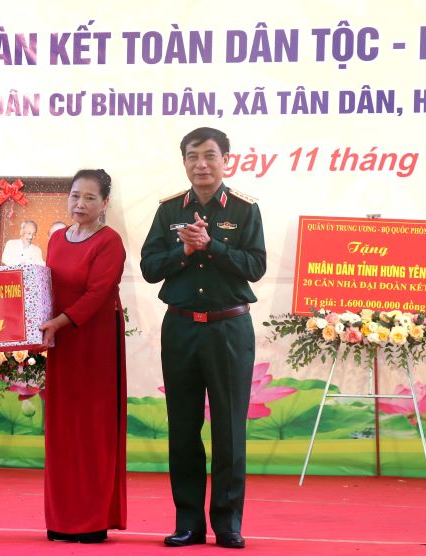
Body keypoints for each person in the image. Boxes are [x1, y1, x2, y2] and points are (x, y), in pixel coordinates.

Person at [140, 127, 266, 549]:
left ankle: (228, 524)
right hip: (180, 329)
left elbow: (255, 266)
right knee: (183, 427)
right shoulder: (169, 210)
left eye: (210, 156)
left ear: (226, 160)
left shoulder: (245, 210)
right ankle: (188, 523)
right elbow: (149, 267)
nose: (201, 165)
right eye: (193, 156)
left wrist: (211, 246)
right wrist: (185, 251)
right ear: (184, 162)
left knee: (229, 429)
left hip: (229, 328)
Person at [38, 169, 127, 544]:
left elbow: (97, 294)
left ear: (104, 203)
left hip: (96, 346)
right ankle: (61, 519)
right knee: (62, 430)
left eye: (90, 197)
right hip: (62, 346)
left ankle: (92, 520)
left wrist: (58, 323)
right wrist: (34, 324)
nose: (80, 203)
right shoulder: (57, 239)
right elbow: (45, 287)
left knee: (93, 430)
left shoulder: (110, 242)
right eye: (75, 196)